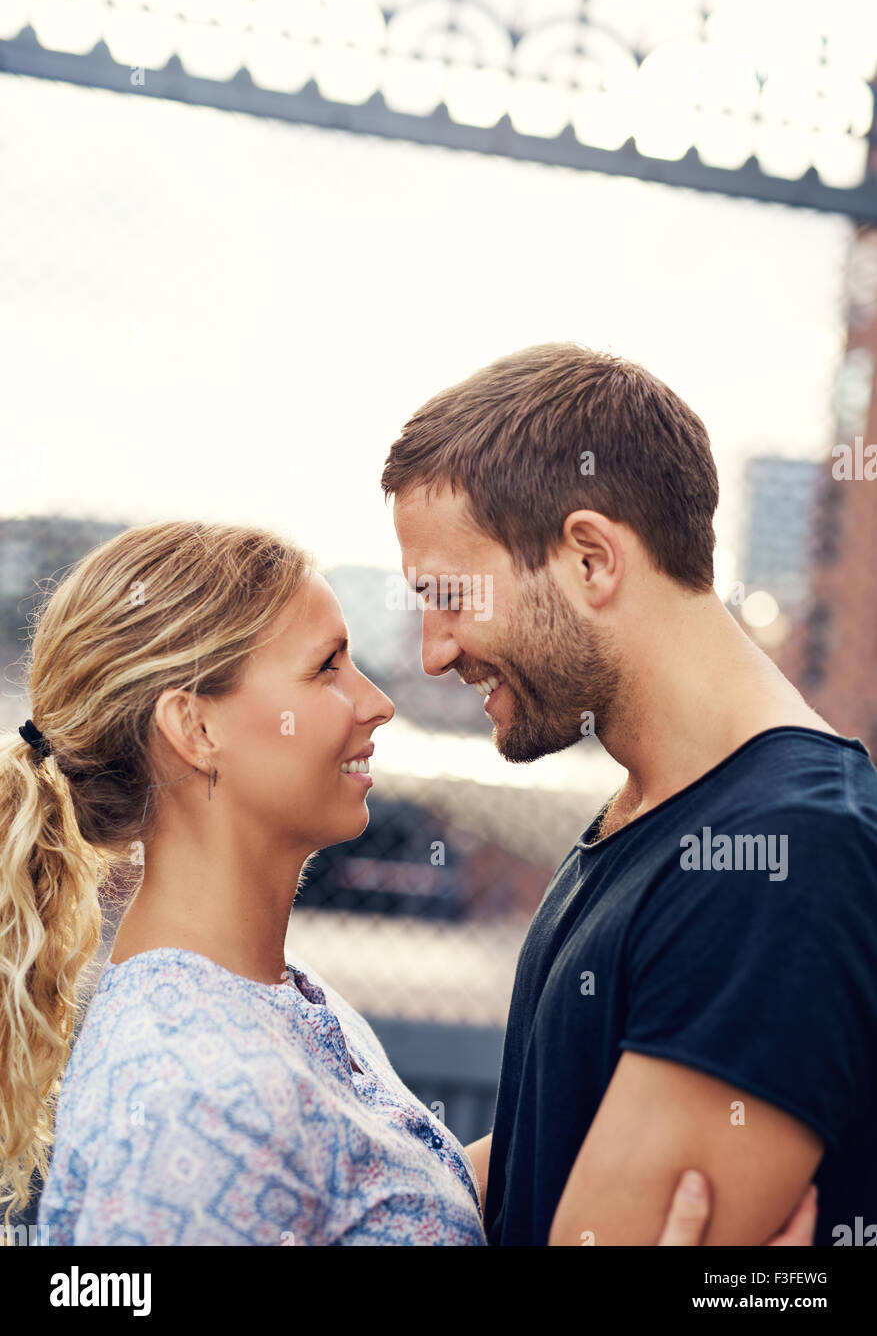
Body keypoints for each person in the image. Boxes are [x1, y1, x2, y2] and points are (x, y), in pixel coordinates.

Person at [0, 520, 815, 1246]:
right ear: (195, 727)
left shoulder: (274, 998)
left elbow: (390, 1197)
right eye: (325, 669)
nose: (380, 702)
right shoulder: (191, 1100)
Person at [382, 341, 877, 1247]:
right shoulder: (643, 817)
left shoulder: (784, 852)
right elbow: (547, 1156)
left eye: (449, 595)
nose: (432, 651)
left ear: (589, 559)